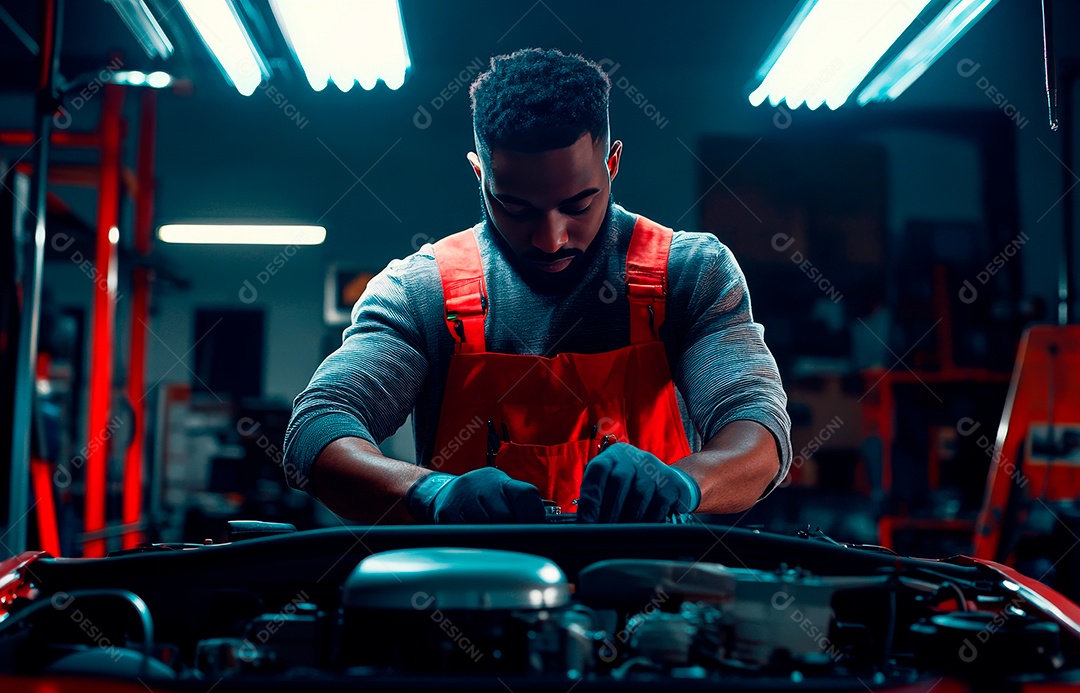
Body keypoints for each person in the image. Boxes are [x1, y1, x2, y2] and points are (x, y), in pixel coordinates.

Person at [283, 48, 790, 525]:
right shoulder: (423, 292)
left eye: (578, 205)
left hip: (657, 601)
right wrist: (431, 493)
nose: (551, 240)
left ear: (611, 165)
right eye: (517, 208)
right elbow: (317, 430)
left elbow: (757, 430)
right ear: (479, 175)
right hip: (478, 607)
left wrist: (684, 482)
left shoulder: (686, 275)